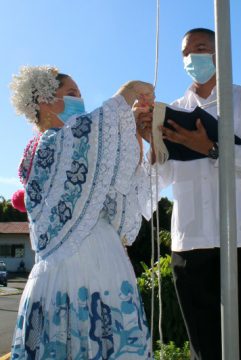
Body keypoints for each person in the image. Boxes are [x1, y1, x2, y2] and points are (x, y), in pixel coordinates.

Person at [9, 65, 155, 359]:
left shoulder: (78, 147)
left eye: (80, 93)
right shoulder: (44, 147)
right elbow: (84, 136)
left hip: (106, 259)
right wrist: (123, 96)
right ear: (44, 102)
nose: (79, 99)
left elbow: (119, 176)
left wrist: (132, 127)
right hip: (70, 265)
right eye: (71, 93)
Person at [155, 28, 241, 360]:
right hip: (190, 243)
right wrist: (148, 146)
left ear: (219, 51)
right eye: (185, 52)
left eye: (200, 48)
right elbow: (160, 178)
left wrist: (211, 148)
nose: (191, 57)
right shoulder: (172, 112)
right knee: (204, 349)